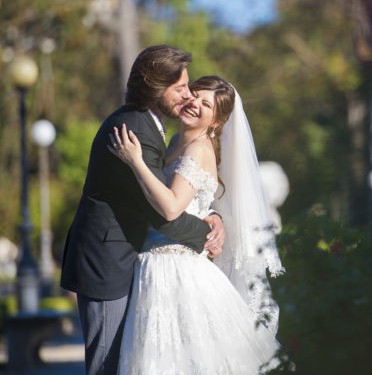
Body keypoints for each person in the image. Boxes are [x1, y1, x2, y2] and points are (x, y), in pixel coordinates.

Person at [60, 45, 225, 375]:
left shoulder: (150, 125)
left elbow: (184, 186)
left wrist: (215, 215)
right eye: (179, 88)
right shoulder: (134, 129)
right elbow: (160, 212)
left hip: (124, 259)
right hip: (107, 262)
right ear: (154, 87)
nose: (188, 95)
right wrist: (207, 235)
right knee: (106, 364)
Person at [108, 76, 284, 374]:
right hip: (153, 264)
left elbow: (172, 207)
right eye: (194, 96)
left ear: (217, 121)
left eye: (206, 105)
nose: (195, 105)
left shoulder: (199, 149)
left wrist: (135, 161)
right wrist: (213, 215)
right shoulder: (175, 142)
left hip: (177, 268)